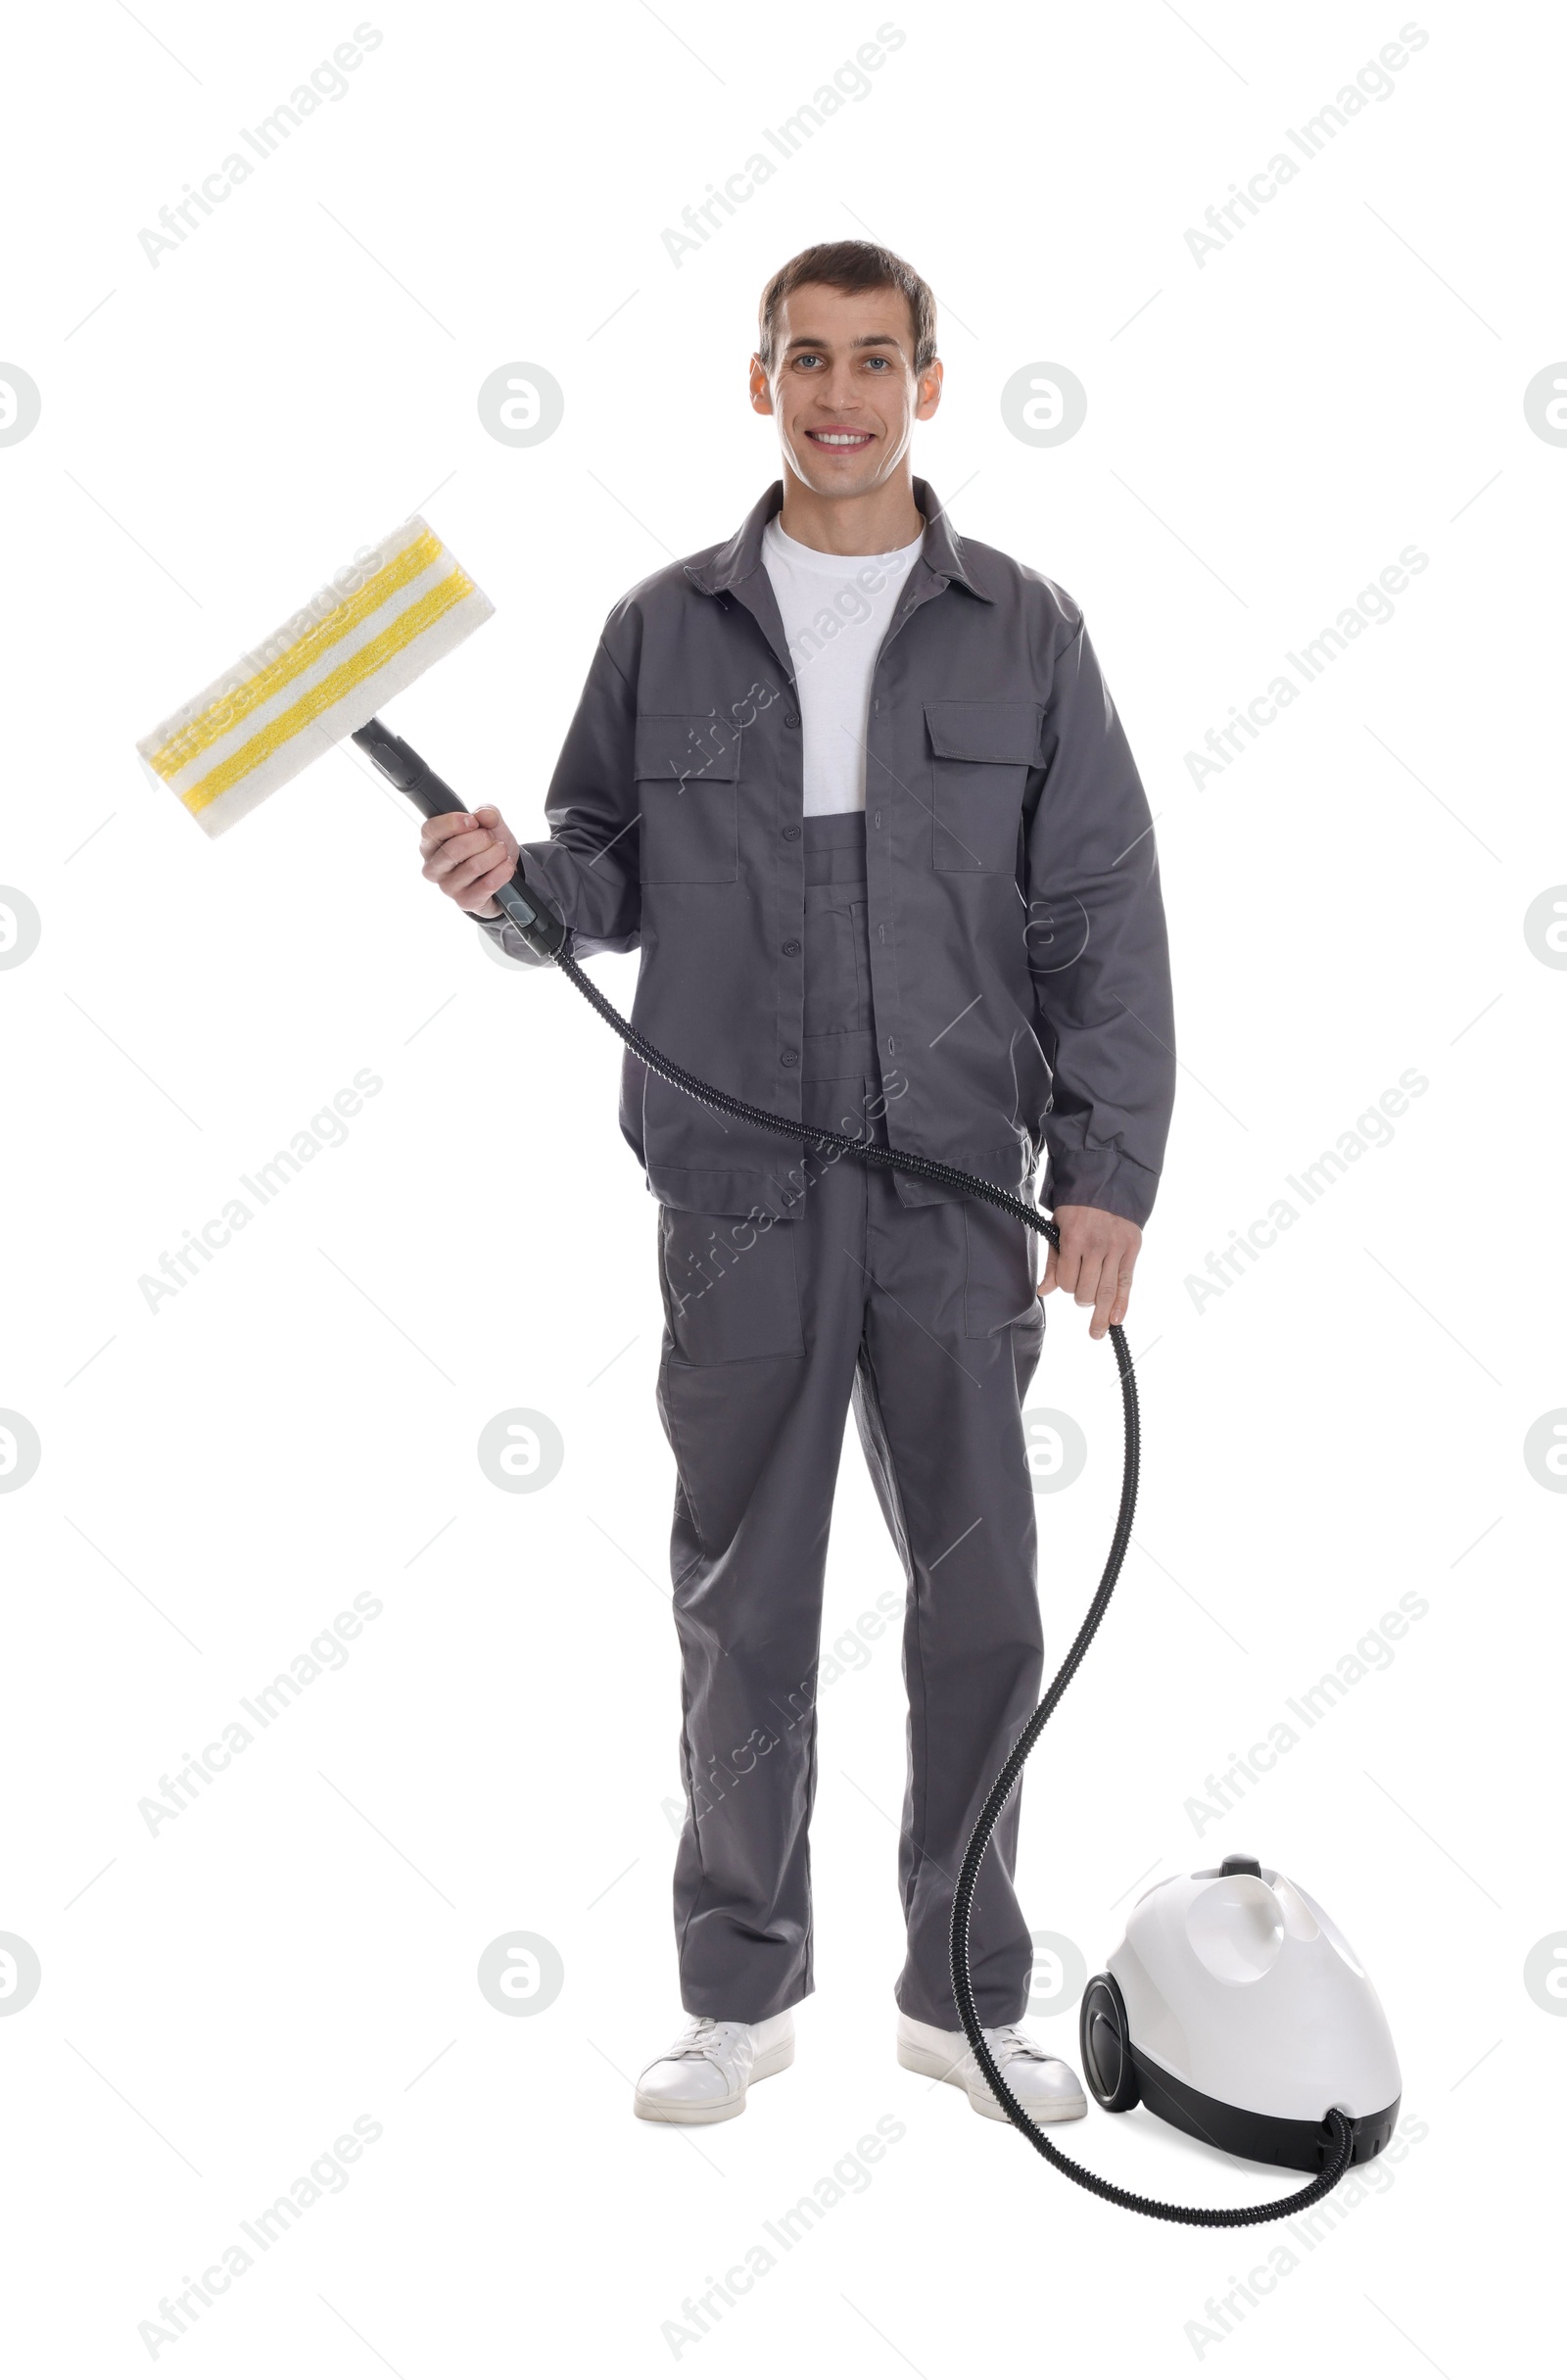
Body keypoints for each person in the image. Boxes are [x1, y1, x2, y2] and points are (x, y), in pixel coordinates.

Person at [418, 241, 1175, 2127]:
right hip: (739, 1182)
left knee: (982, 1588)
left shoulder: (1026, 629)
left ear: (928, 378)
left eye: (875, 360)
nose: (841, 394)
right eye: (806, 361)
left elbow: (1101, 920)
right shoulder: (671, 625)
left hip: (953, 1188)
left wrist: (1108, 1173)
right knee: (745, 1598)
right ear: (757, 383)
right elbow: (598, 875)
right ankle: (733, 1995)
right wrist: (515, 879)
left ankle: (965, 1991)